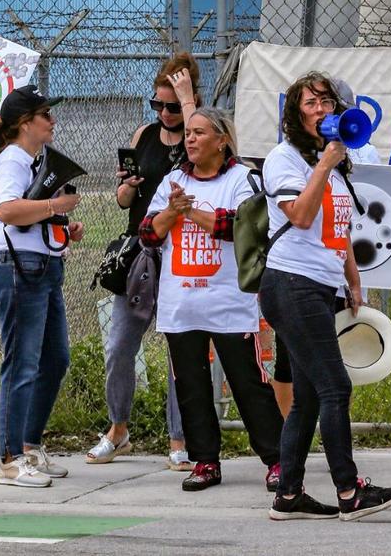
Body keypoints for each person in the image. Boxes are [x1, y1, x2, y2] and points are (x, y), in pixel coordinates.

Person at [259, 72, 391, 522]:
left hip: (321, 287)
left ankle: (288, 495)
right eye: (311, 103)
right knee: (334, 386)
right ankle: (349, 490)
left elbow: (336, 231)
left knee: (306, 397)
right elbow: (301, 217)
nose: (322, 109)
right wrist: (323, 164)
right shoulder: (283, 160)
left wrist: (353, 280)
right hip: (290, 283)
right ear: (294, 113)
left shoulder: (339, 164)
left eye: (328, 101)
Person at [140, 106, 282, 493]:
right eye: (188, 133)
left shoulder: (242, 178)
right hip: (181, 305)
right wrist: (173, 210)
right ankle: (205, 461)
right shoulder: (173, 180)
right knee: (191, 386)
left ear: (222, 140)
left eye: (200, 133)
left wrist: (192, 211)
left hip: (228, 303)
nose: (190, 139)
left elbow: (240, 227)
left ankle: (277, 459)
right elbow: (149, 234)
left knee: (249, 383)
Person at [86, 52, 199, 469]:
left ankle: (179, 438)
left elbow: (205, 160)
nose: (165, 114)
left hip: (182, 254)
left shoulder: (201, 133)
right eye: (158, 105)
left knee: (179, 350)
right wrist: (129, 186)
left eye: (173, 105)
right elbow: (121, 202)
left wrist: (190, 107)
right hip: (142, 255)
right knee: (119, 347)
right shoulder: (145, 134)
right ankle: (119, 429)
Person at [0, 86, 83, 488]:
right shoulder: (12, 160)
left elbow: (26, 215)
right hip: (17, 268)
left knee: (55, 358)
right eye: (45, 115)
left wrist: (60, 227)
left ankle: (29, 444)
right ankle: (9, 459)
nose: (51, 121)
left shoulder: (28, 161)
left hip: (39, 266)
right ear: (25, 124)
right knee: (22, 362)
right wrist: (54, 207)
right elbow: (5, 211)